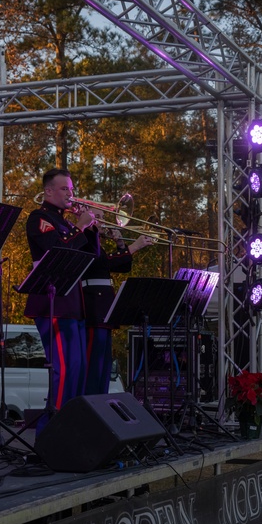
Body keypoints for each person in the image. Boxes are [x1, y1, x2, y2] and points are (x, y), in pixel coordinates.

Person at [24, 168, 97, 427]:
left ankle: (72, 428)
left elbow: (93, 256)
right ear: (48, 191)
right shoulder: (39, 218)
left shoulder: (66, 222)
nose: (71, 194)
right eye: (65, 188)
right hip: (51, 300)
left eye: (72, 188)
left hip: (73, 301)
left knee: (78, 369)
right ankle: (51, 431)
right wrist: (79, 227)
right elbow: (58, 250)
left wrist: (91, 229)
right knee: (63, 370)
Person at [82, 226, 153, 395]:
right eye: (99, 216)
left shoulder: (96, 241)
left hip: (104, 307)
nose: (104, 222)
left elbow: (122, 267)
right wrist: (133, 247)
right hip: (93, 307)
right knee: (94, 363)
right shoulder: (83, 239)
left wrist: (121, 245)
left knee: (104, 363)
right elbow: (101, 262)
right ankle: (91, 403)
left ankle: (100, 400)